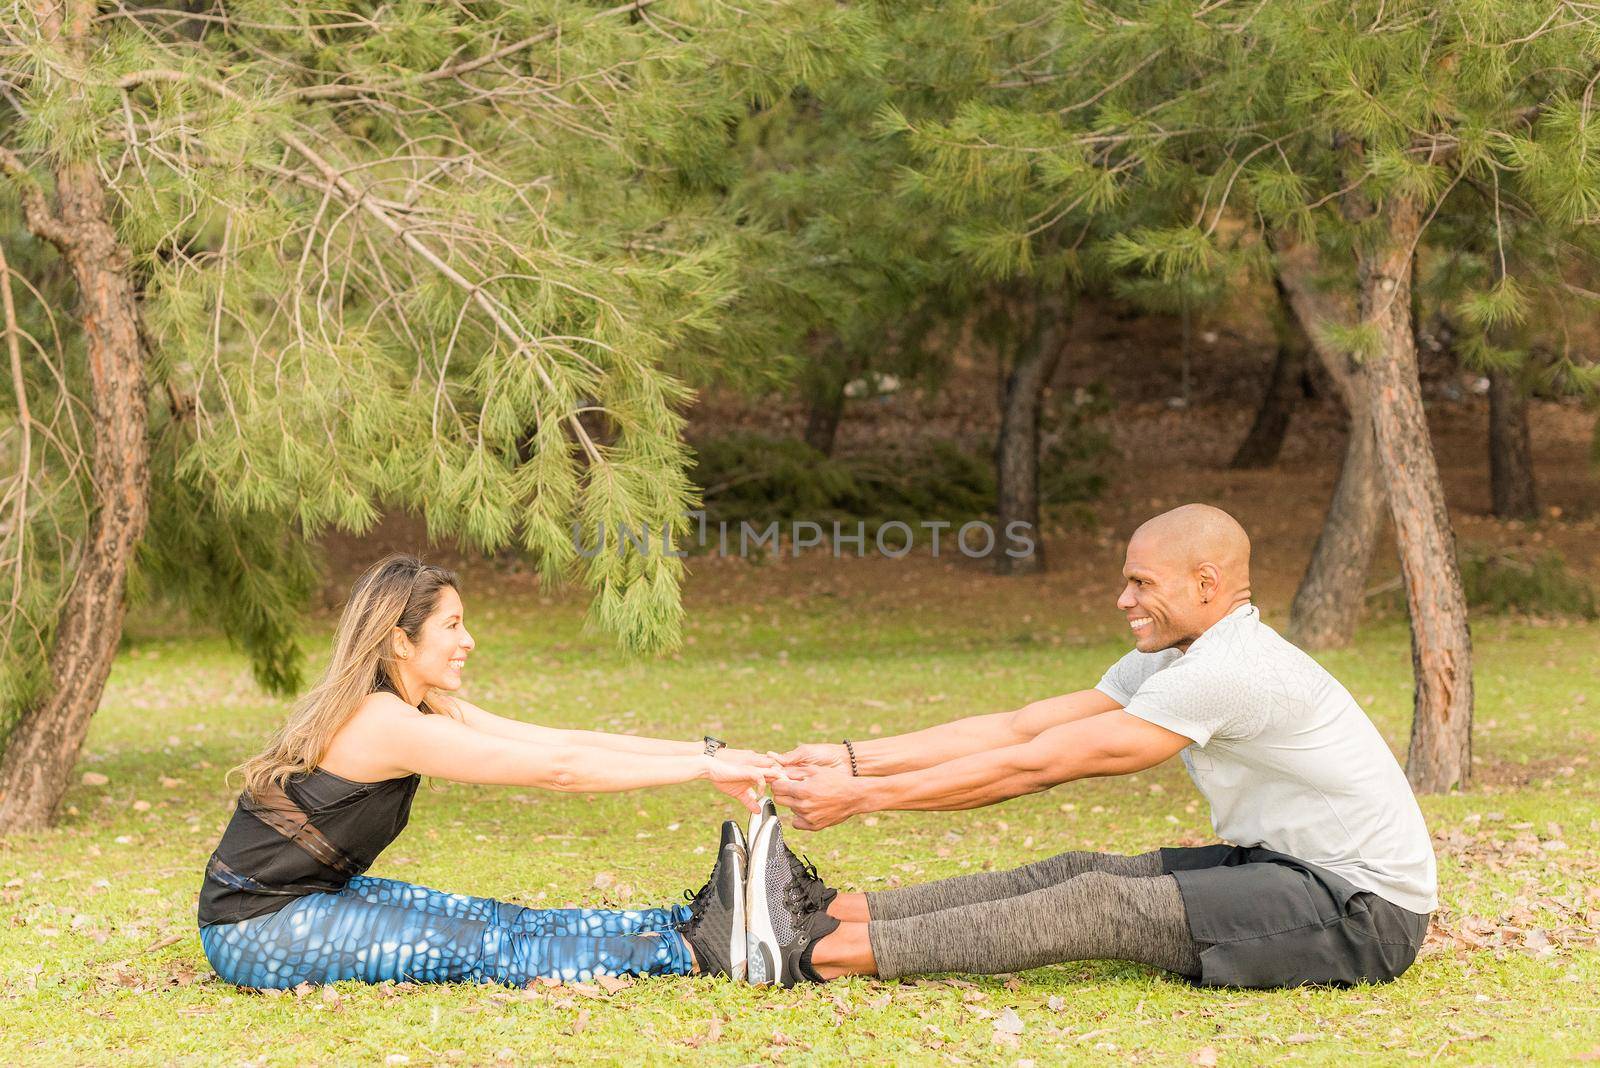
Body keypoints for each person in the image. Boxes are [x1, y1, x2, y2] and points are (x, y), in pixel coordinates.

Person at [765, 504, 1438, 990]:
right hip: (1287, 867)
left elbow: (1040, 765)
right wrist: (850, 759)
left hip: (1360, 911)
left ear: (1206, 585)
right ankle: (823, 912)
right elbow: (1022, 728)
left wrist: (865, 797)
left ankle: (809, 952)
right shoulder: (1184, 654)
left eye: (1142, 582)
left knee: (1097, 903)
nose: (1123, 598)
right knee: (1073, 868)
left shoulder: (1231, 671)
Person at [196, 553, 772, 990]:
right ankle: (698, 951)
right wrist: (699, 769)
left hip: (310, 896)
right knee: (492, 947)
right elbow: (560, 771)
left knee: (501, 919)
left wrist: (704, 754)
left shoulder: (421, 706)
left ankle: (688, 919)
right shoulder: (384, 722)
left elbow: (563, 741)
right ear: (401, 640)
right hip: (255, 926)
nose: (468, 640)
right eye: (451, 626)